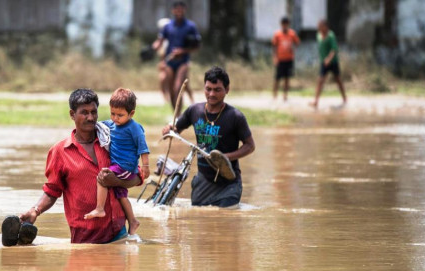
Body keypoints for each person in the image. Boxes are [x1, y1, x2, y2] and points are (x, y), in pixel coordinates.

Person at [17, 89, 142, 244]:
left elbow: (137, 176)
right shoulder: (60, 152)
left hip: (119, 233)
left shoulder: (111, 141)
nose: (90, 117)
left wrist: (116, 181)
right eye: (84, 112)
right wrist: (35, 210)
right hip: (84, 237)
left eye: (93, 112)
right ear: (72, 114)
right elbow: (52, 191)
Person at [162, 66, 255, 207]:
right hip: (203, 181)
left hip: (228, 184)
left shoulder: (235, 116)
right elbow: (176, 128)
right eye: (208, 89)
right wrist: (169, 128)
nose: (211, 94)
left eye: (217, 90)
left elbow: (250, 146)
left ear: (227, 90)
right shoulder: (194, 110)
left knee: (224, 219)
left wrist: (226, 157)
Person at [84, 88, 150, 236]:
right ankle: (133, 220)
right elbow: (98, 124)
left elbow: (143, 147)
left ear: (131, 113)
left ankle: (100, 208)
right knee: (121, 195)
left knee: (103, 177)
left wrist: (145, 166)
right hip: (119, 166)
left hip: (125, 166)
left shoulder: (134, 128)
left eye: (120, 115)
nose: (115, 118)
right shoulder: (112, 124)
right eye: (112, 113)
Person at [153, 1, 201, 112]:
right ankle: (175, 115)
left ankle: (179, 115)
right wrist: (152, 49)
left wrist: (183, 51)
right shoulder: (168, 26)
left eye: (181, 9)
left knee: (178, 87)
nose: (179, 12)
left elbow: (197, 46)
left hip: (183, 61)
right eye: (177, 9)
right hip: (170, 61)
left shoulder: (190, 26)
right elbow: (159, 41)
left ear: (185, 10)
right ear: (173, 11)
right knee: (171, 90)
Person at [310, 19, 347, 108]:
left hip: (333, 62)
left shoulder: (331, 35)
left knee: (338, 80)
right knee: (320, 81)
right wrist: (324, 59)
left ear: (325, 26)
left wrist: (329, 59)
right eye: (318, 26)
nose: (319, 27)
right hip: (324, 63)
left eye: (320, 26)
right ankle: (316, 101)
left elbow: (334, 49)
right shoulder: (318, 35)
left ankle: (344, 98)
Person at [272, 17, 300, 101]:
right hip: (280, 59)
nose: (285, 26)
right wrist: (275, 57)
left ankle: (285, 95)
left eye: (286, 24)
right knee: (277, 78)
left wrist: (293, 49)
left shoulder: (292, 34)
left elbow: (297, 42)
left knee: (287, 78)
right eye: (283, 24)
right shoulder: (277, 34)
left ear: (288, 24)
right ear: (281, 25)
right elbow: (274, 47)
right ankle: (275, 95)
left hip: (289, 59)